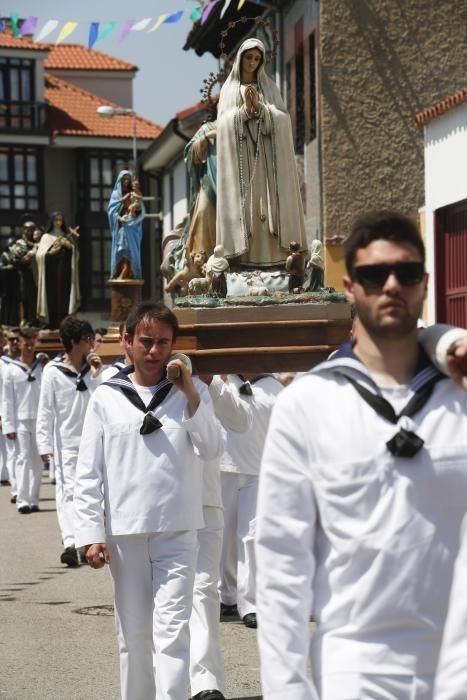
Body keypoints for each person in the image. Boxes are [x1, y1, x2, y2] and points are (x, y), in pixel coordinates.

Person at [255, 210, 467, 699]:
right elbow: (281, 567)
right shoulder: (306, 405)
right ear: (349, 287)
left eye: (407, 273)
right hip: (359, 667)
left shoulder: (460, 394)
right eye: (374, 275)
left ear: (425, 284)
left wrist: (446, 340)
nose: (391, 285)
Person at [73, 302, 223, 700]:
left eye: (162, 343)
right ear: (126, 340)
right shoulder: (106, 397)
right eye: (146, 341)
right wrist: (89, 534)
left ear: (173, 346)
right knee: (134, 634)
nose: (154, 351)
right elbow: (88, 471)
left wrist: (189, 390)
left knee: (173, 632)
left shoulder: (192, 393)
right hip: (126, 532)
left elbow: (211, 448)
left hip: (178, 528)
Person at [216, 37, 306, 267]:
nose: (253, 62)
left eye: (257, 58)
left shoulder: (269, 87)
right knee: (248, 207)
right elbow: (223, 125)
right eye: (249, 57)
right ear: (240, 59)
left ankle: (275, 258)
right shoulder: (229, 90)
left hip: (267, 163)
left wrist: (264, 112)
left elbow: (284, 119)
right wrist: (243, 113)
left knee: (268, 207)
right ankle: (243, 259)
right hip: (242, 165)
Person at [190, 374, 252, 700]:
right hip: (158, 507)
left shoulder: (208, 384)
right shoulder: (122, 384)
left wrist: (212, 380)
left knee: (203, 591)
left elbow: (241, 421)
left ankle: (205, 682)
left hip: (205, 499)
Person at [36, 317, 102, 567]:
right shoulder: (52, 372)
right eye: (87, 340)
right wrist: (44, 445)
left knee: (91, 492)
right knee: (68, 494)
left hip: (93, 441)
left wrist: (96, 374)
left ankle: (88, 541)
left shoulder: (95, 370)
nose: (91, 344)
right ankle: (70, 542)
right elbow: (45, 411)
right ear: (75, 342)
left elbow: (102, 404)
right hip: (66, 444)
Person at [219, 372, 283, 629]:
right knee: (224, 535)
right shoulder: (223, 383)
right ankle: (226, 595)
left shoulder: (276, 389)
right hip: (223, 467)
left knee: (251, 537)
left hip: (259, 470)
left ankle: (250, 601)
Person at [2, 327, 46, 514]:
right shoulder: (11, 370)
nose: (28, 347)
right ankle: (22, 499)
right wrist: (8, 423)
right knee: (22, 459)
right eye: (25, 343)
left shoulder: (42, 368)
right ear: (18, 343)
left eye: (31, 344)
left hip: (38, 420)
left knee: (37, 462)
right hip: (20, 420)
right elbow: (7, 399)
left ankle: (33, 500)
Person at [36, 211, 80, 329]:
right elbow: (39, 255)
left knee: (64, 297)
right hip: (50, 275)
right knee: (51, 297)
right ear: (52, 221)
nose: (58, 222)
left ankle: (65, 322)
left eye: (60, 220)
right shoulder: (46, 237)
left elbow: (75, 255)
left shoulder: (66, 236)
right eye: (56, 220)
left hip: (65, 274)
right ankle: (51, 323)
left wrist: (69, 247)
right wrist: (50, 252)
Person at [108, 170, 145, 280]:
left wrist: (135, 210)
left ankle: (130, 272)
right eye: (124, 179)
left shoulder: (134, 193)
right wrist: (120, 218)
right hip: (122, 226)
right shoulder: (116, 194)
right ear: (119, 180)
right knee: (123, 247)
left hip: (133, 224)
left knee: (131, 248)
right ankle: (122, 271)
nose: (126, 181)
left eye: (128, 179)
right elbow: (111, 212)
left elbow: (141, 209)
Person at [0, 327, 21, 502]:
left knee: (23, 456)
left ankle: (23, 489)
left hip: (23, 414)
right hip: (5, 413)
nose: (15, 343)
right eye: (11, 340)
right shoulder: (2, 363)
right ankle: (16, 489)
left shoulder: (28, 363)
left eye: (17, 339)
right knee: (12, 453)